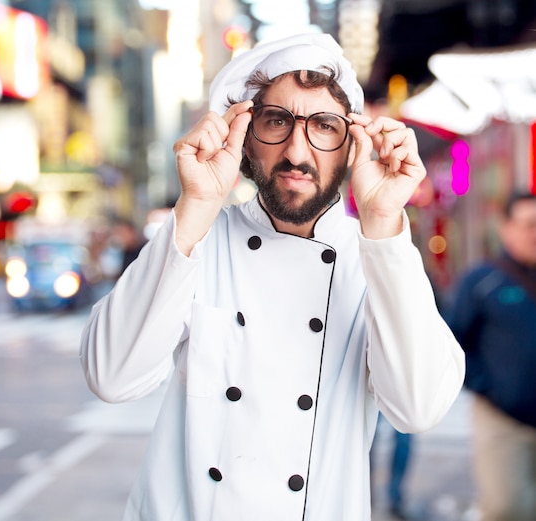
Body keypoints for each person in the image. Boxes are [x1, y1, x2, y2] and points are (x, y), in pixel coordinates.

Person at [80, 33, 465, 520]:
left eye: (324, 126)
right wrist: (196, 205)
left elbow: (418, 407)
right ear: (243, 142)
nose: (297, 153)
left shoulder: (374, 256)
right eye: (277, 121)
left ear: (351, 146)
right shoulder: (198, 240)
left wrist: (385, 221)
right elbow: (111, 376)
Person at [445, 191, 536, 521]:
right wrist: (489, 387)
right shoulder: (482, 282)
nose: (534, 233)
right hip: (502, 421)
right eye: (528, 225)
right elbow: (454, 344)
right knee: (507, 508)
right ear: (506, 228)